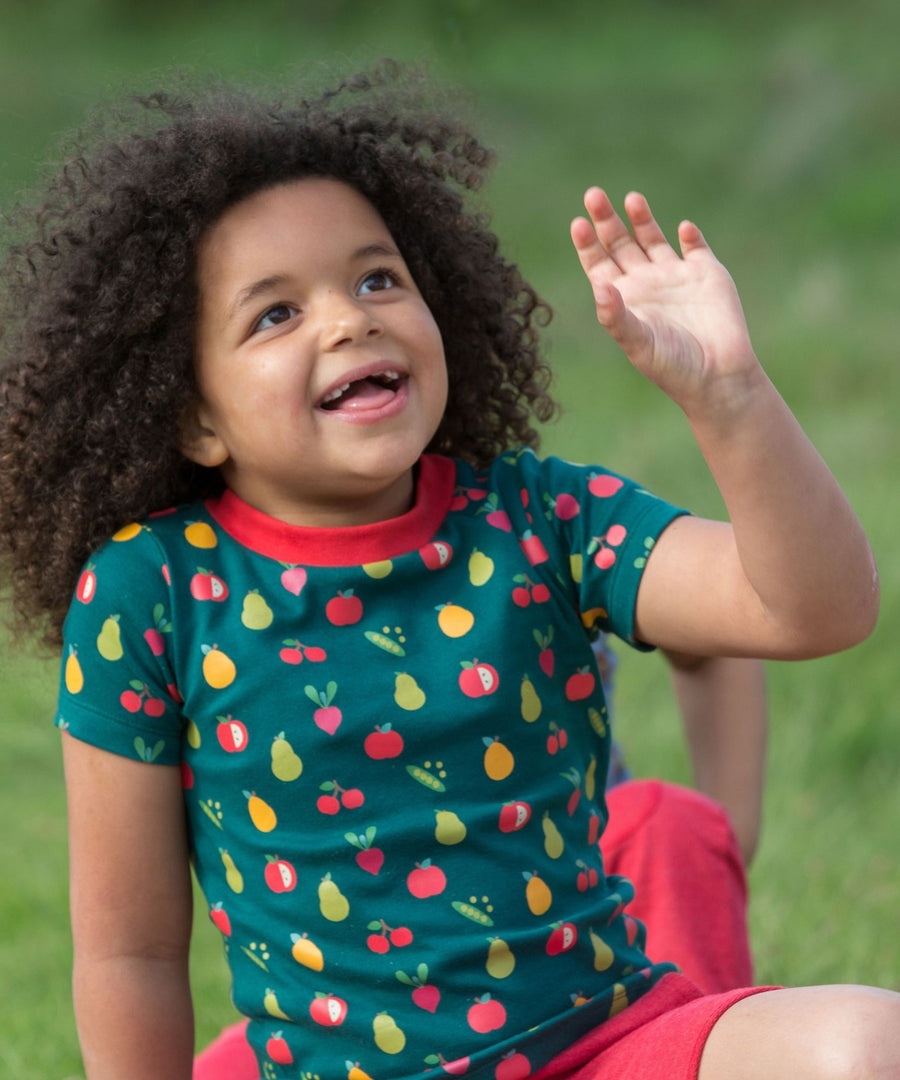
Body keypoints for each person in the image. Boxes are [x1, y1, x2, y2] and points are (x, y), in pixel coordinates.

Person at [0, 64, 895, 1080]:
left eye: (377, 278)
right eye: (274, 315)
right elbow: (130, 954)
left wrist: (730, 397)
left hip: (605, 1046)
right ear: (193, 415)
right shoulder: (147, 594)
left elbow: (818, 608)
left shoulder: (543, 519)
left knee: (867, 1042)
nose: (349, 318)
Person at [192, 643, 767, 1080]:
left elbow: (711, 631)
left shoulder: (530, 500)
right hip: (362, 976)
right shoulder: (194, 584)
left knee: (667, 824)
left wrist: (723, 836)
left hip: (571, 914)